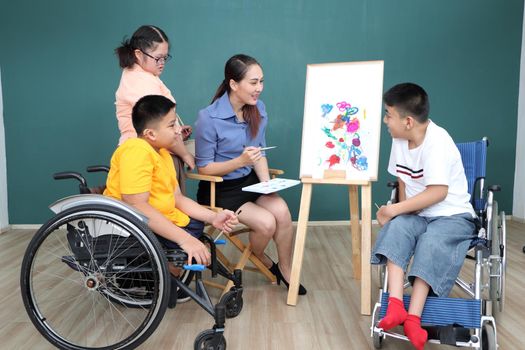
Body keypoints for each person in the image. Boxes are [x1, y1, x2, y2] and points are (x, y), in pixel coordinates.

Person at [371, 83, 476, 350]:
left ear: (407, 121)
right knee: (397, 229)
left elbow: (439, 192)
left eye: (388, 114)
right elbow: (402, 179)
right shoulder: (399, 139)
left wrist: (393, 210)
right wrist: (401, 211)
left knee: (431, 242)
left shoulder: (438, 142)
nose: (385, 120)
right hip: (419, 212)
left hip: (451, 215)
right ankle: (395, 304)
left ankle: (414, 318)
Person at [104, 94, 238, 303]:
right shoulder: (136, 151)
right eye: (172, 124)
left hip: (165, 218)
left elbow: (177, 199)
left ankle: (166, 277)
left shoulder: (162, 153)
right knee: (190, 235)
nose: (178, 130)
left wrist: (213, 217)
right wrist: (185, 240)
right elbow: (136, 206)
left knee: (196, 223)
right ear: (150, 133)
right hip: (133, 225)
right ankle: (158, 280)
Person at [194, 54, 306, 295]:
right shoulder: (208, 117)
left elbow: (259, 152)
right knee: (266, 224)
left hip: (249, 182)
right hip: (219, 189)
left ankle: (285, 269)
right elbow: (204, 168)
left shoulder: (258, 109)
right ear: (234, 84)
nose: (259, 89)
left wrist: (266, 184)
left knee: (283, 212)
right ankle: (262, 260)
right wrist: (240, 161)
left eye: (261, 82)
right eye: (253, 83)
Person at [114, 25, 194, 194]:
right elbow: (158, 128)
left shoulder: (144, 76)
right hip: (146, 157)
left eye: (165, 57)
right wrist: (186, 155)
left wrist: (177, 129)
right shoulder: (140, 81)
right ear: (138, 54)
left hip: (154, 154)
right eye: (158, 58)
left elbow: (160, 123)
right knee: (164, 211)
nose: (162, 63)